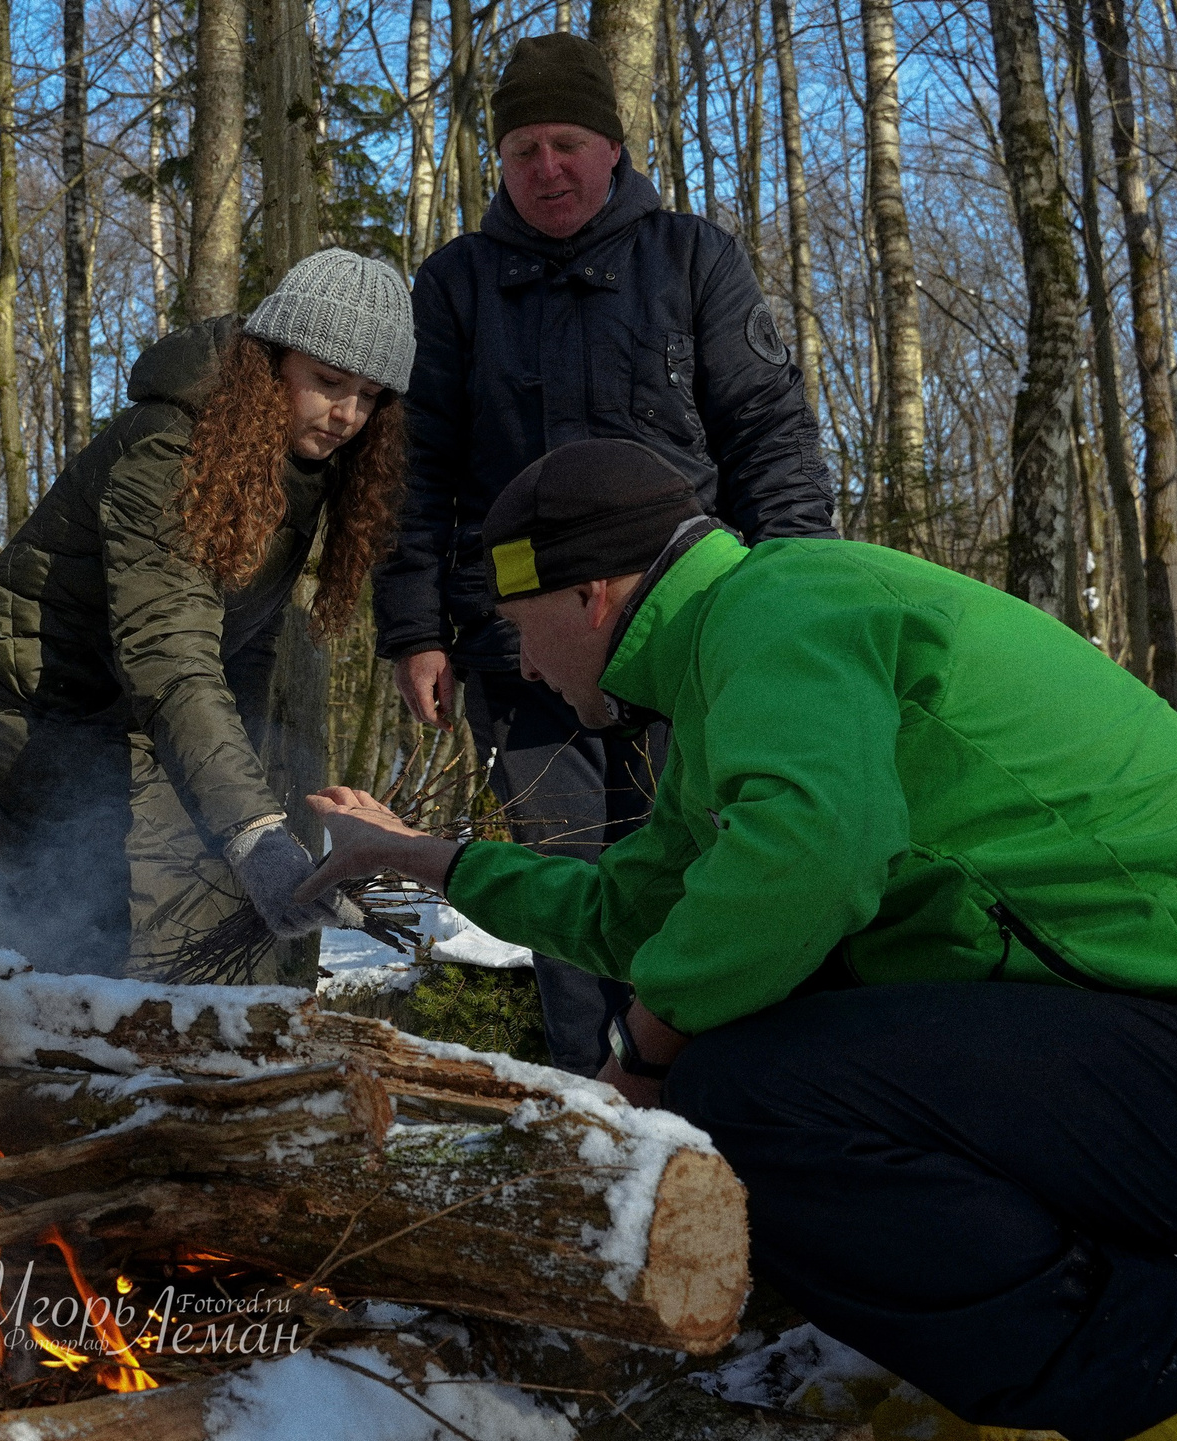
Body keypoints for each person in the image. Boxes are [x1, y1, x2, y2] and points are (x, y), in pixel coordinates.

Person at [299, 438, 1177, 1439]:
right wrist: (423, 856)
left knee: (750, 1084)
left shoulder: (779, 612)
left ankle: (1163, 1400)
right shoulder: (732, 664)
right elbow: (637, 916)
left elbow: (808, 861)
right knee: (766, 1042)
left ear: (590, 594)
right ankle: (1011, 1366)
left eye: (516, 625)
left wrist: (636, 1061)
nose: (520, 661)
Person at [378, 32, 838, 1072]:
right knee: (564, 887)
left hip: (688, 648)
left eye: (566, 144)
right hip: (520, 653)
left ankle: (708, 1103)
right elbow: (414, 471)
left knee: (700, 875)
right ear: (498, 163)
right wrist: (414, 628)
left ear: (612, 148)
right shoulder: (453, 286)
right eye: (522, 150)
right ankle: (593, 1114)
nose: (546, 168)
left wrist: (797, 590)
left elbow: (768, 432)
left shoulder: (690, 258)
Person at [0, 248, 412, 977]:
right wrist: (252, 827)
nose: (349, 414)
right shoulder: (173, 449)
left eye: (371, 395)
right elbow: (171, 650)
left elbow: (243, 635)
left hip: (120, 692)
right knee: (69, 912)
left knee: (35, 918)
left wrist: (245, 798)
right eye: (328, 382)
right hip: (32, 685)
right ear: (272, 361)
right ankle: (27, 1076)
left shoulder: (298, 464)